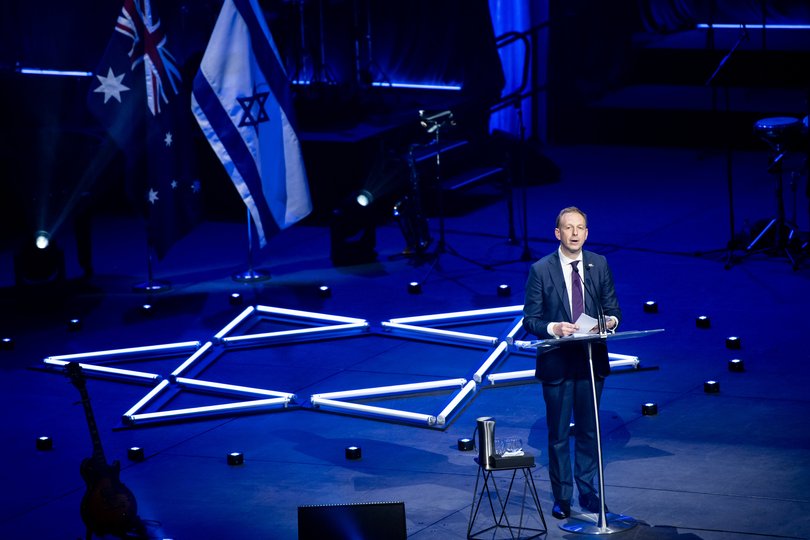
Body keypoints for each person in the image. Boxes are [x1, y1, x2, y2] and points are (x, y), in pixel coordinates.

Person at [522, 206, 621, 519]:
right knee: (559, 434)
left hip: (590, 361)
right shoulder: (541, 269)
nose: (575, 233)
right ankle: (562, 497)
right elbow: (530, 319)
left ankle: (588, 492)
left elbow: (613, 308)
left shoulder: (598, 264)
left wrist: (610, 321)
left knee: (590, 431)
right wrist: (554, 328)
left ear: (586, 233)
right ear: (558, 233)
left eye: (580, 228)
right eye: (568, 227)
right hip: (557, 362)